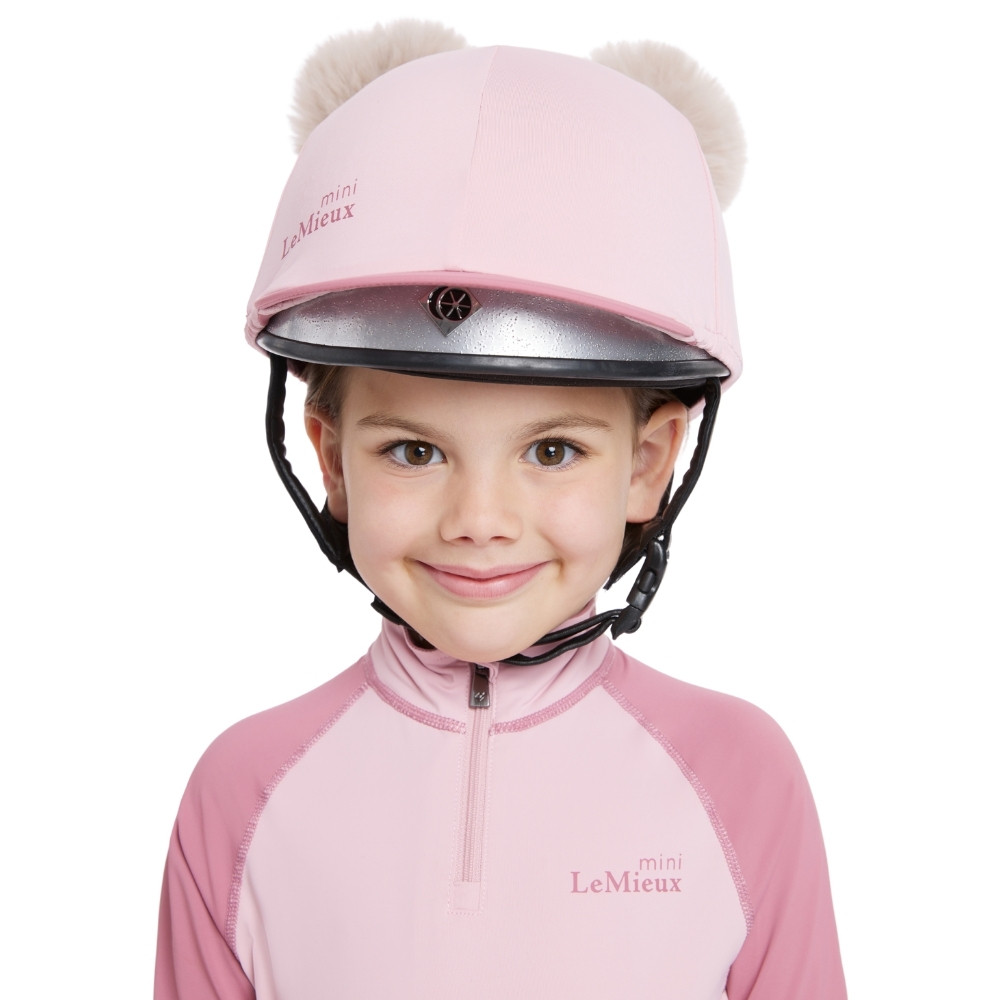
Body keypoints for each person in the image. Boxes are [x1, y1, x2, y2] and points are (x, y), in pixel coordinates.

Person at [155, 22, 847, 999]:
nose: (479, 519)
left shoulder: (739, 776)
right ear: (332, 460)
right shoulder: (243, 791)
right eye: (414, 451)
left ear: (648, 464)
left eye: (551, 451)